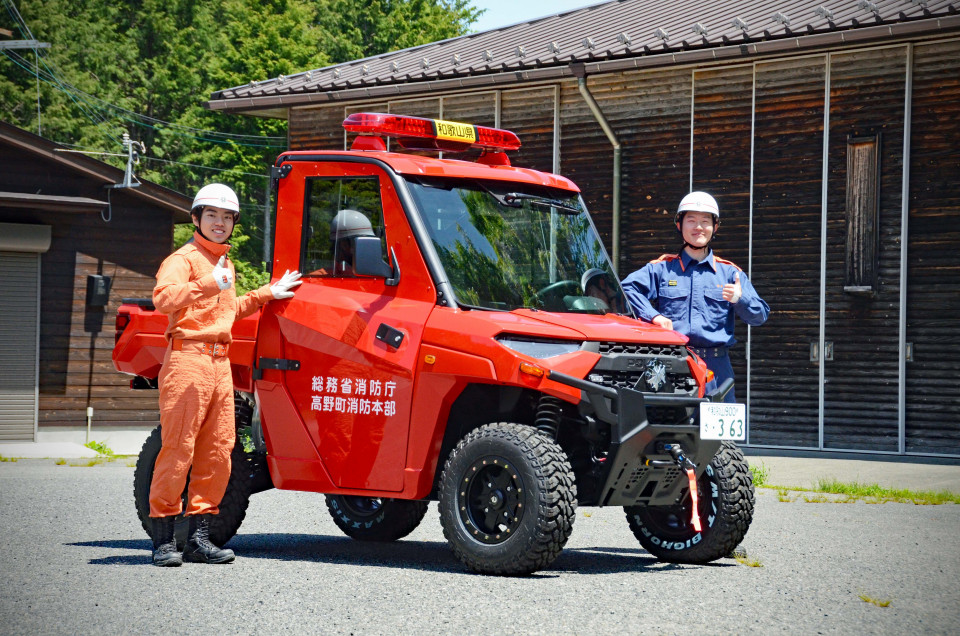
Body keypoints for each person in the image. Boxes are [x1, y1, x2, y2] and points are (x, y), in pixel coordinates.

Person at [149, 183, 302, 567]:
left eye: (227, 217)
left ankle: (199, 540)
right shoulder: (183, 259)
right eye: (213, 215)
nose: (220, 223)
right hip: (187, 361)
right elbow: (163, 298)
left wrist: (269, 292)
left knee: (218, 451)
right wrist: (208, 283)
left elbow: (230, 310)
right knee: (179, 449)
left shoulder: (225, 265)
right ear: (196, 218)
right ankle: (164, 542)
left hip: (220, 364)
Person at [620, 191, 769, 403]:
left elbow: (760, 316)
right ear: (680, 225)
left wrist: (740, 299)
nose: (698, 227)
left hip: (717, 370)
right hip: (671, 365)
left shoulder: (730, 273)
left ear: (715, 227)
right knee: (667, 430)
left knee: (720, 436)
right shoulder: (662, 269)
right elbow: (627, 289)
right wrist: (654, 317)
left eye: (705, 221)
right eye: (691, 220)